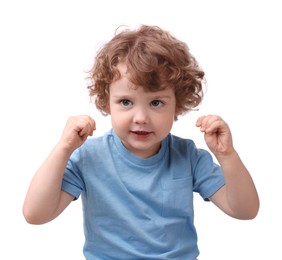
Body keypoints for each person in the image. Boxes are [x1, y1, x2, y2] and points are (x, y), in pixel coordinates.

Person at [22, 25, 259, 259]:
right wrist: (63, 149)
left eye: (156, 103)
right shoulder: (89, 156)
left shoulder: (188, 156)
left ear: (178, 105)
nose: (141, 118)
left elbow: (245, 210)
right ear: (107, 102)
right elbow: (35, 214)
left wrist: (227, 155)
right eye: (126, 102)